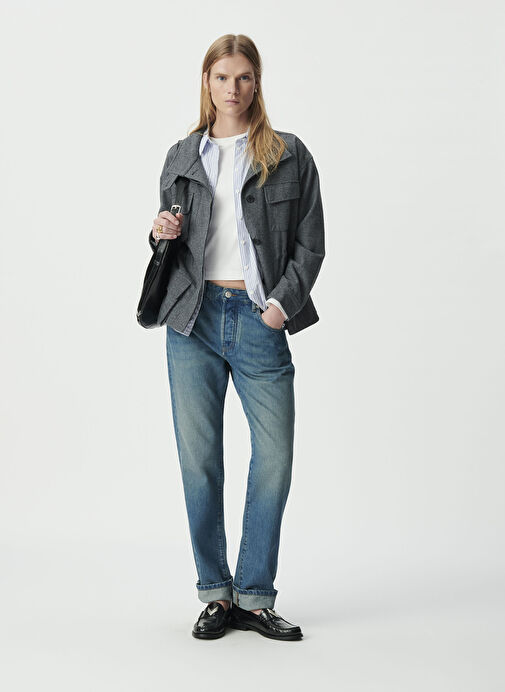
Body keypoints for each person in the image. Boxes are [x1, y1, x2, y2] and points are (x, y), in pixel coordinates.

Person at [150, 34, 325, 641]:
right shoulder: (181, 155)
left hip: (258, 318)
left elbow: (310, 244)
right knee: (199, 463)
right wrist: (159, 232)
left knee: (274, 458)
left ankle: (255, 595)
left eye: (244, 77)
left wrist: (279, 306)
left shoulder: (288, 154)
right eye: (222, 77)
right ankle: (216, 595)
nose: (233, 88)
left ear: (257, 83)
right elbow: (170, 247)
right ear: (207, 82)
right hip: (192, 320)